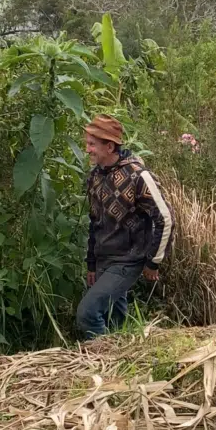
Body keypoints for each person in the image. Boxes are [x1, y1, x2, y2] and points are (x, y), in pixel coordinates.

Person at [77, 114, 174, 339]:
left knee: (88, 313)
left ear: (109, 146)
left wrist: (153, 261)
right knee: (115, 322)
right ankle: (120, 365)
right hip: (104, 259)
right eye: (87, 143)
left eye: (92, 144)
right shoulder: (95, 177)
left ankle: (104, 362)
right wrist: (91, 263)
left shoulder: (139, 176)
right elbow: (95, 222)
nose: (87, 149)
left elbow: (165, 219)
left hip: (128, 260)